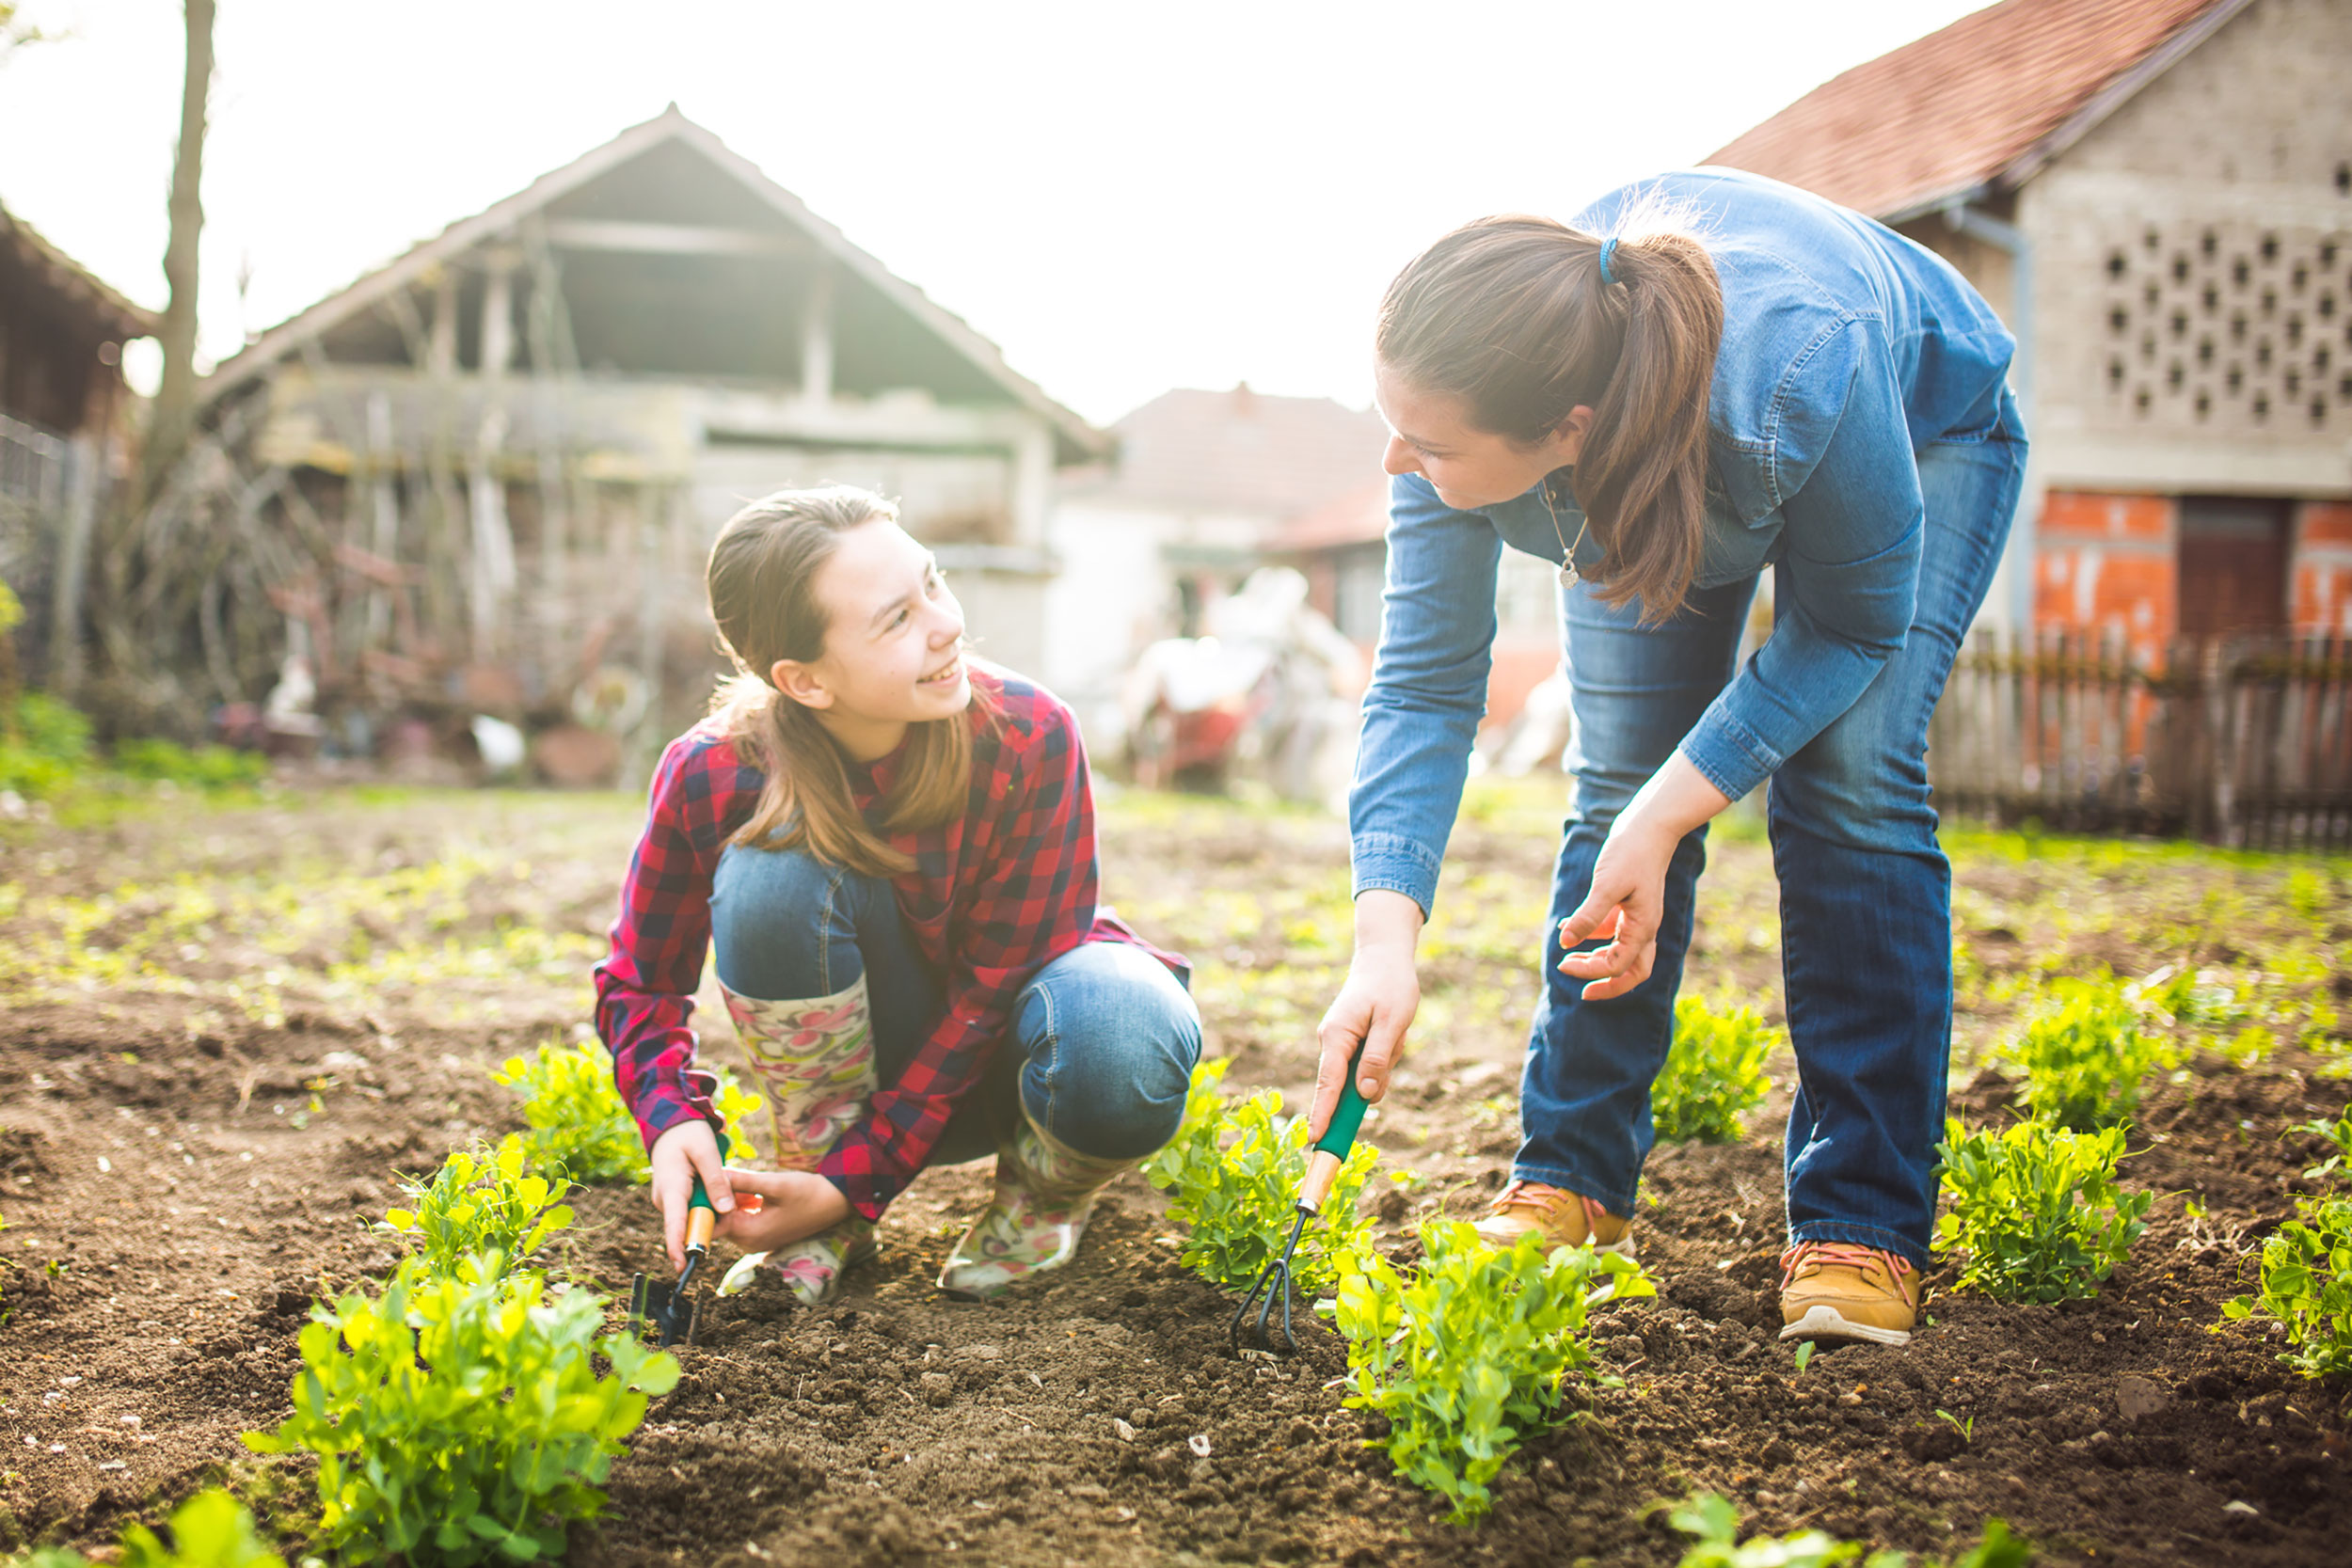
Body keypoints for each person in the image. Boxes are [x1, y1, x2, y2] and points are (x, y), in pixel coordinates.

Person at [1310, 169, 2026, 1346]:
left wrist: (1668, 817)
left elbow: (1849, 628)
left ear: (1565, 434)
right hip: (1650, 442)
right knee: (1618, 773)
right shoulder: (1463, 415)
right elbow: (1425, 685)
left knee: (1847, 779)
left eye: (1424, 442)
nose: (1396, 460)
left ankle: (1861, 1219)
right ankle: (1575, 1177)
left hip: (1921, 423)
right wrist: (1382, 945)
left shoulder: (1800, 367)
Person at [596, 484, 1200, 1307]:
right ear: (805, 680)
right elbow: (641, 983)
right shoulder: (713, 773)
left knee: (1125, 1036)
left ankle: (1040, 1199)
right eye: (896, 620)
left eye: (933, 582)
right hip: (855, 1081)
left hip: (1017, 1066)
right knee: (771, 875)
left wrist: (857, 1180)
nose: (947, 622)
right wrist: (672, 1121)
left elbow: (993, 993)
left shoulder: (1028, 734)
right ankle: (817, 1205)